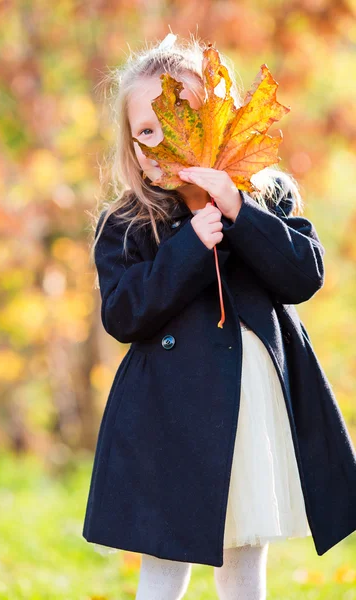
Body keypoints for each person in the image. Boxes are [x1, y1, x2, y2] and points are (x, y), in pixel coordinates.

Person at [82, 33, 356, 600]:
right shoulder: (129, 223)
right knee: (164, 549)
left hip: (253, 404)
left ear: (217, 122)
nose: (162, 143)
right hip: (169, 415)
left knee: (243, 550)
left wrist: (239, 212)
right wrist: (188, 250)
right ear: (131, 145)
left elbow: (303, 275)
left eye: (181, 121)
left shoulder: (264, 198)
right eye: (147, 132)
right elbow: (124, 313)